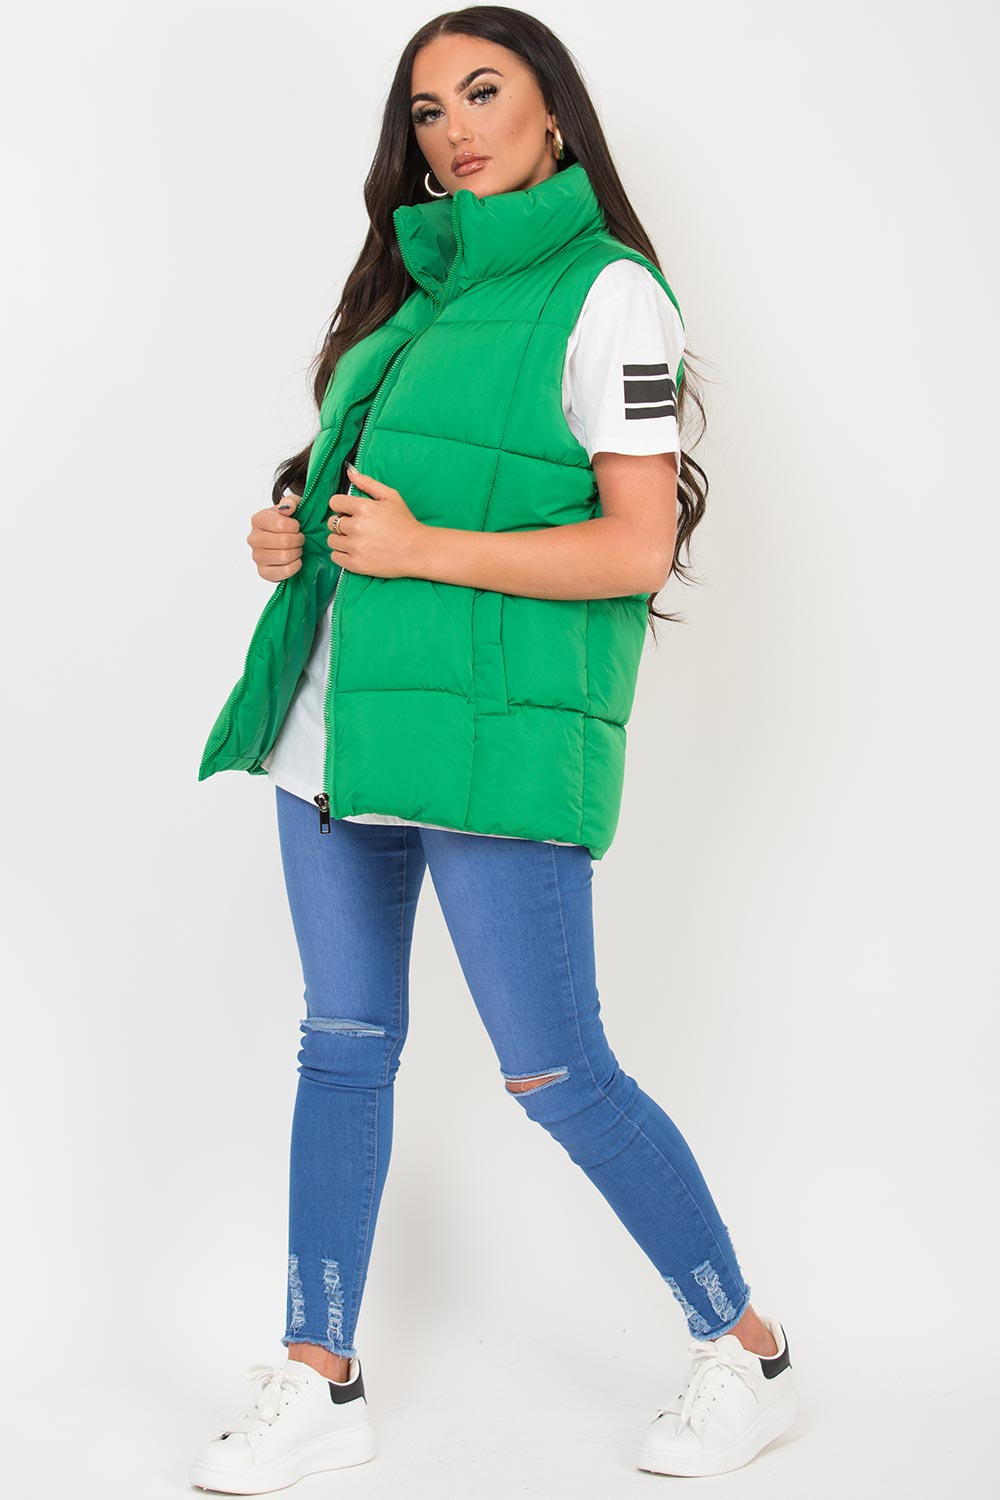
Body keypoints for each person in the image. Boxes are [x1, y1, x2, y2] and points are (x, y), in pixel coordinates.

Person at [189, 7, 801, 1492]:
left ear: (555, 116)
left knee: (556, 1070)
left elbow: (634, 546)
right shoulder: (410, 295)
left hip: (494, 745)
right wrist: (297, 536)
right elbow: (374, 513)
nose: (454, 127)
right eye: (427, 109)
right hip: (337, 734)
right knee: (342, 1050)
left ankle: (747, 1350)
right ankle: (319, 1377)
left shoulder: (612, 295)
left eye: (483, 91)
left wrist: (421, 549)